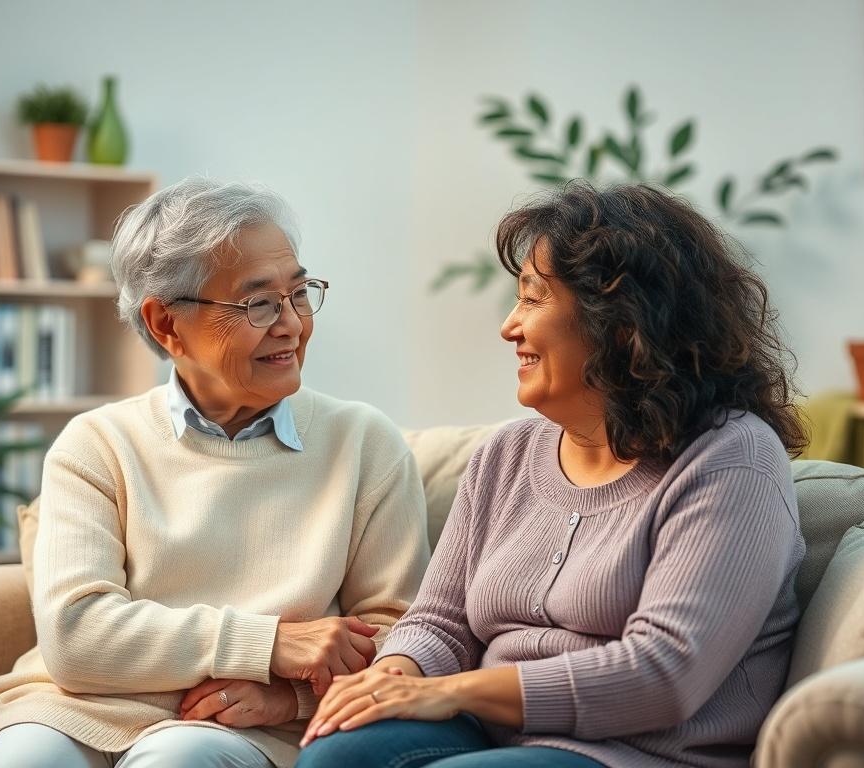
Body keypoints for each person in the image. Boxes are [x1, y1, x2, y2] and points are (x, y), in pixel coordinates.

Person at [297, 182, 808, 768]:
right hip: (491, 738)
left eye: (533, 299)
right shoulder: (506, 454)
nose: (509, 327)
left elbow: (665, 671)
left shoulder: (730, 458)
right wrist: (391, 678)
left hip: (638, 755)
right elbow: (440, 621)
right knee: (335, 755)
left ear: (620, 323)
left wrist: (447, 692)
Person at [0, 178, 430, 768]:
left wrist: (290, 696)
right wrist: (268, 644)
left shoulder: (364, 443)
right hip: (74, 706)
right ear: (165, 325)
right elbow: (76, 637)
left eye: (299, 293)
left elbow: (404, 633)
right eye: (258, 303)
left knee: (179, 759)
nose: (291, 324)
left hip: (236, 728)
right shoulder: (97, 443)